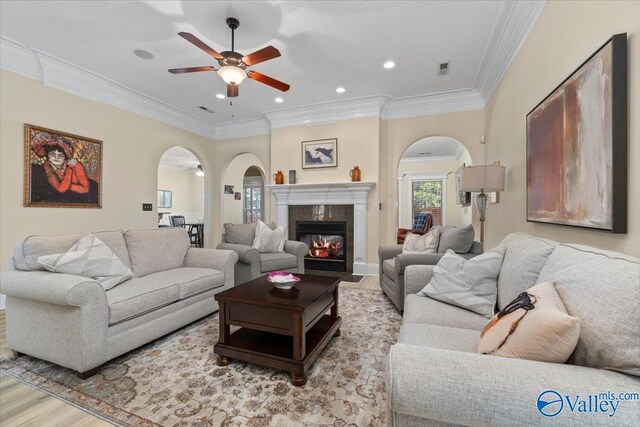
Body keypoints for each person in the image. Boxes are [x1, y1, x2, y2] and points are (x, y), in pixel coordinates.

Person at [29, 132, 99, 204]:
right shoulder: (37, 171)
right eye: (53, 154)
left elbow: (83, 188)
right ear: (47, 155)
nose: (57, 157)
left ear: (65, 156)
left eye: (60, 155)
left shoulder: (73, 167)